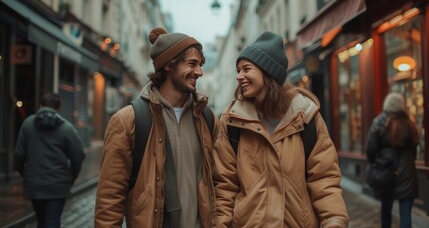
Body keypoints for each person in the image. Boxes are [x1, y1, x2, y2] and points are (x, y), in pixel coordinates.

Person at [213, 31, 349, 227]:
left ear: (267, 71)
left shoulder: (307, 117)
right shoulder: (232, 122)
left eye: (246, 69)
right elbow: (224, 187)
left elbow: (325, 179)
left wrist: (334, 221)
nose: (239, 76)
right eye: (238, 70)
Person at [94, 27, 220, 227]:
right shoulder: (128, 121)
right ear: (169, 65)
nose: (199, 72)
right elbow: (110, 198)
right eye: (192, 64)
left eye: (200, 64)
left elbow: (220, 183)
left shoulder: (206, 117)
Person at [14, 92, 85, 228]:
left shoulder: (28, 124)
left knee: (41, 219)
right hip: (58, 186)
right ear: (58, 108)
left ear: (41, 105)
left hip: (35, 184)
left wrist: (26, 174)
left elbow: (18, 155)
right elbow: (78, 155)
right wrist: (71, 177)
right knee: (52, 220)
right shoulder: (66, 128)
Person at [366, 92, 419, 228]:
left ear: (387, 106)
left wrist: (374, 163)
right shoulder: (409, 123)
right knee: (406, 214)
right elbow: (414, 151)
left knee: (386, 210)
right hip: (407, 171)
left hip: (385, 171)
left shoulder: (379, 122)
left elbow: (371, 149)